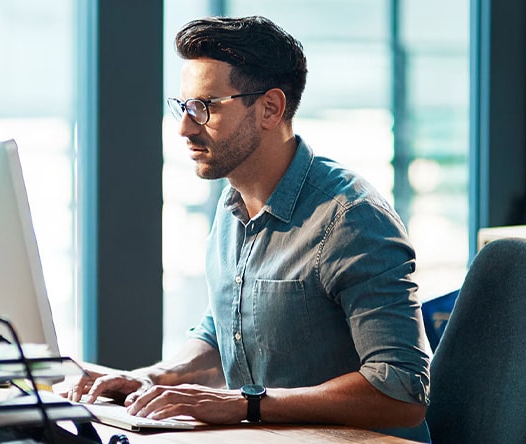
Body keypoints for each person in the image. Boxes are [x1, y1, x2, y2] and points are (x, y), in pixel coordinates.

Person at [67, 15, 431, 442]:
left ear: (270, 109)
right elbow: (225, 330)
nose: (185, 126)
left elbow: (402, 391)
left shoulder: (351, 219)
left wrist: (246, 403)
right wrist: (157, 377)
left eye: (205, 107)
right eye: (184, 106)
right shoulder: (231, 205)